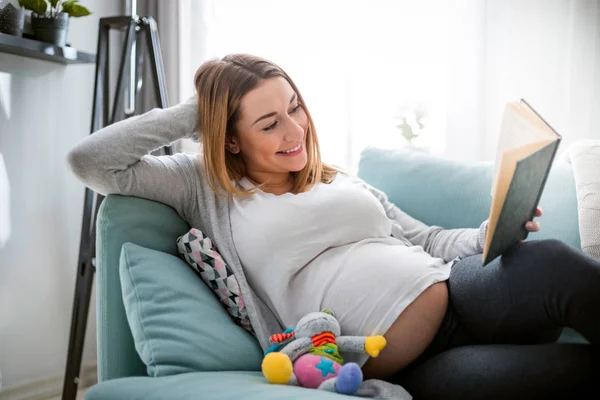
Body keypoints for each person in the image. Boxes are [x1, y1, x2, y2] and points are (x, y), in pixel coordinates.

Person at [68, 54, 600, 399]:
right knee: (571, 374)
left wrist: (489, 234)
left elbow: (429, 241)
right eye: (269, 122)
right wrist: (196, 111)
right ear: (229, 138)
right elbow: (90, 161)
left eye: (295, 108)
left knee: (548, 261)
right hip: (401, 365)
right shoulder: (202, 187)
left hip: (461, 292)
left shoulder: (335, 178)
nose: (294, 129)